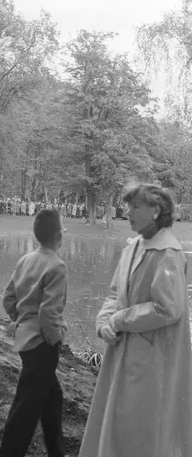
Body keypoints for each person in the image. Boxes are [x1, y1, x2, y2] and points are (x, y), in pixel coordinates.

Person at [78, 183, 192, 457]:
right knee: (116, 422)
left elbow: (168, 308)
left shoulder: (168, 254)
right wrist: (104, 322)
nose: (127, 212)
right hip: (123, 352)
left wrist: (119, 320)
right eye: (128, 206)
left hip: (153, 361)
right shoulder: (133, 248)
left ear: (156, 211)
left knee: (143, 430)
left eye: (135, 206)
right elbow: (115, 293)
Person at [0, 209, 67, 457]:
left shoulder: (25, 260)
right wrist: (56, 339)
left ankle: (57, 451)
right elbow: (49, 313)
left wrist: (21, 321)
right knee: (26, 408)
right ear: (58, 237)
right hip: (42, 344)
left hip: (25, 340)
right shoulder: (57, 266)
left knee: (52, 396)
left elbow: (8, 299)